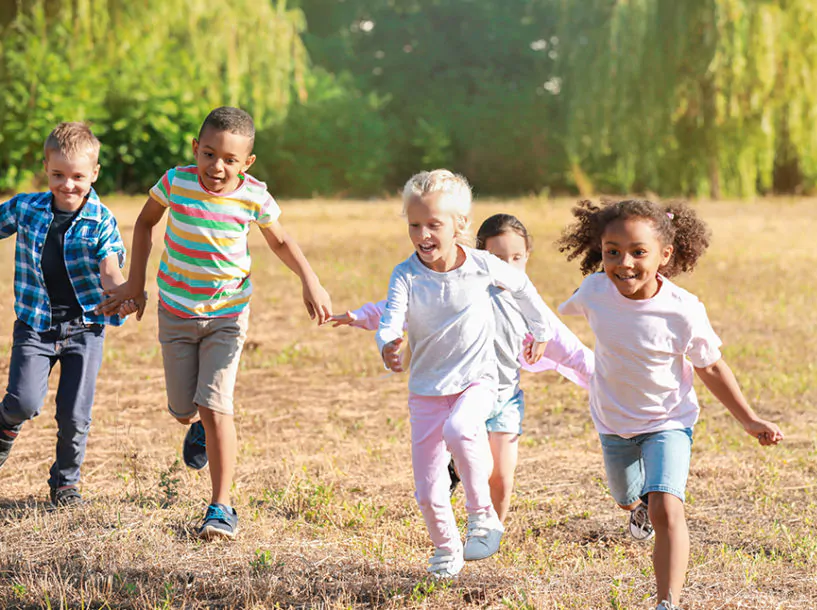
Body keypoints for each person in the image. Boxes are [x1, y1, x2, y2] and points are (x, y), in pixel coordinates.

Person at [97, 106, 332, 539]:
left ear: (247, 163)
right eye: (208, 154)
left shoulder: (254, 195)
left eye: (229, 159)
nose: (216, 167)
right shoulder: (176, 182)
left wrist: (310, 280)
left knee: (216, 404)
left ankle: (221, 507)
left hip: (227, 315)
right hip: (176, 312)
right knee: (183, 409)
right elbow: (147, 222)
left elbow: (280, 240)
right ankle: (198, 427)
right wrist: (135, 282)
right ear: (195, 149)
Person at [557, 199, 784, 610]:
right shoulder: (593, 291)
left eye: (638, 252)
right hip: (613, 422)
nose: (624, 263)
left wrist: (749, 419)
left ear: (665, 255)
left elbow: (711, 367)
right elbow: (553, 321)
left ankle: (668, 602)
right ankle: (636, 507)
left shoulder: (683, 311)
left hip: (668, 421)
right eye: (612, 252)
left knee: (666, 508)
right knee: (628, 496)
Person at [330, 213, 594, 525]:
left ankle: (489, 533)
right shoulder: (460, 289)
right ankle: (457, 468)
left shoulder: (529, 305)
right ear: (481, 256)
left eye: (516, 258)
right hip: (464, 395)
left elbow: (573, 351)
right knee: (481, 469)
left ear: (527, 257)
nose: (507, 266)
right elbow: (399, 307)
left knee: (502, 480)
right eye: (498, 257)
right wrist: (360, 316)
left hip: (506, 400)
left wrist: (610, 381)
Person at [375, 170, 553, 578]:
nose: (423, 234)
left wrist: (539, 329)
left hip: (477, 382)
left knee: (460, 429)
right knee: (428, 489)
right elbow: (391, 318)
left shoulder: (481, 265)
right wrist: (388, 343)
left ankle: (482, 514)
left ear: (460, 226)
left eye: (434, 224)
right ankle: (445, 548)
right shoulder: (406, 274)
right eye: (414, 225)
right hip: (425, 391)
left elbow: (523, 288)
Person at [0, 122, 136, 506]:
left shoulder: (101, 220)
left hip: (84, 328)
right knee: (23, 403)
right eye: (58, 175)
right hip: (34, 325)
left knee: (75, 415)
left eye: (78, 176)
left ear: (94, 173)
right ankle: (4, 429)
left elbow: (110, 271)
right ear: (46, 168)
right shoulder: (26, 208)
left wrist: (120, 294)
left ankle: (66, 484)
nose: (68, 185)